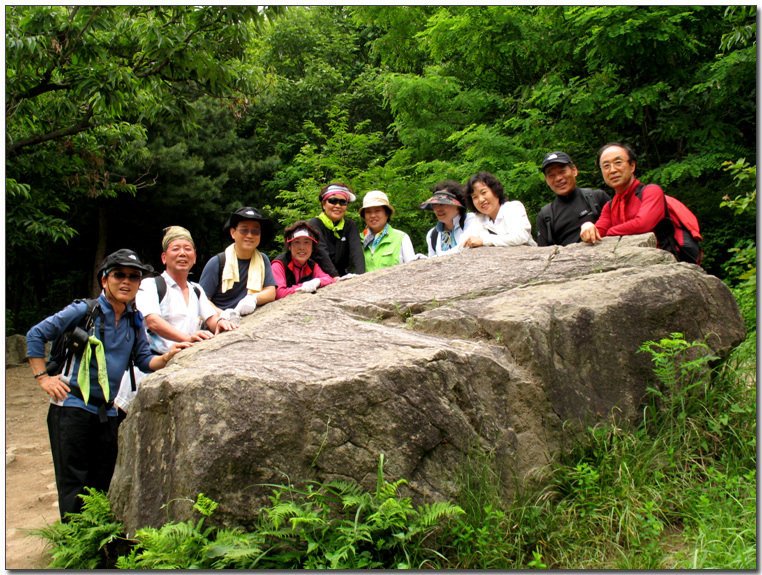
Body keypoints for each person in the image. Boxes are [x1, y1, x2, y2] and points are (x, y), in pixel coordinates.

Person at [26, 249, 190, 519]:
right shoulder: (84, 310)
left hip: (108, 412)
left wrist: (168, 357)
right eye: (119, 275)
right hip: (72, 407)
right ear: (104, 280)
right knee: (74, 483)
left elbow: (143, 360)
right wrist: (43, 378)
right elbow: (36, 334)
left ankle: (96, 543)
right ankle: (76, 547)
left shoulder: (134, 320)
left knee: (103, 480)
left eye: (133, 277)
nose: (126, 281)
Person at [114, 226, 238, 413]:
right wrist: (186, 339)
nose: (182, 253)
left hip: (182, 368)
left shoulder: (196, 289)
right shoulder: (150, 285)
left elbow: (211, 318)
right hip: (149, 366)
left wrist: (221, 322)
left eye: (187, 249)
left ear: (195, 257)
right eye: (175, 249)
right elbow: (153, 321)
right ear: (164, 258)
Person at [580, 143, 701, 263]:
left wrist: (610, 232)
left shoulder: (651, 192)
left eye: (618, 163)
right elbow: (598, 233)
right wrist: (588, 226)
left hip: (665, 263)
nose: (612, 170)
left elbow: (642, 224)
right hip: (631, 264)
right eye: (606, 166)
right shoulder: (610, 206)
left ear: (632, 166)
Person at [199, 206, 277, 320]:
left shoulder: (263, 259)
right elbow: (202, 300)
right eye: (244, 230)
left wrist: (253, 298)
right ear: (233, 233)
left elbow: (271, 292)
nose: (249, 235)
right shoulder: (218, 262)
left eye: (255, 231)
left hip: (252, 319)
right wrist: (222, 314)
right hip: (220, 321)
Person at [536, 151, 611, 247]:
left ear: (574, 170)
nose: (558, 178)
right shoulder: (545, 215)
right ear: (547, 180)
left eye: (562, 171)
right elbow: (543, 254)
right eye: (552, 175)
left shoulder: (597, 197)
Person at [459, 171, 537, 248]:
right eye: (475, 197)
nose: (481, 200)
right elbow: (463, 243)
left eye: (484, 192)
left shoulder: (513, 208)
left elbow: (521, 236)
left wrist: (484, 241)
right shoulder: (479, 218)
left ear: (495, 191)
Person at [308, 182, 366, 279]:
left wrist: (362, 276)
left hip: (344, 276)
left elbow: (356, 252)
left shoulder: (350, 225)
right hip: (319, 277)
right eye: (333, 201)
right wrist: (335, 277)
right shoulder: (314, 224)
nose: (338, 205)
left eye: (342, 202)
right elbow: (321, 253)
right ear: (323, 204)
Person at [272, 220, 336, 299]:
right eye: (297, 242)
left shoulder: (311, 264)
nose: (302, 247)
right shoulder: (279, 264)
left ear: (313, 247)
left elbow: (329, 279)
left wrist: (317, 282)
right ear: (289, 246)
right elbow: (279, 293)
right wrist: (303, 287)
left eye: (306, 242)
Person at [360, 190, 416, 271]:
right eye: (368, 212)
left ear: (387, 214)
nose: (372, 215)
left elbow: (412, 269)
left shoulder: (400, 238)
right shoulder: (357, 240)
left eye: (377, 211)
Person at [419, 180, 475, 257]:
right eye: (435, 205)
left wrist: (438, 257)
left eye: (443, 204)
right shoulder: (432, 235)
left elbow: (465, 247)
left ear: (457, 206)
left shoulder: (471, 220)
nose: (438, 209)